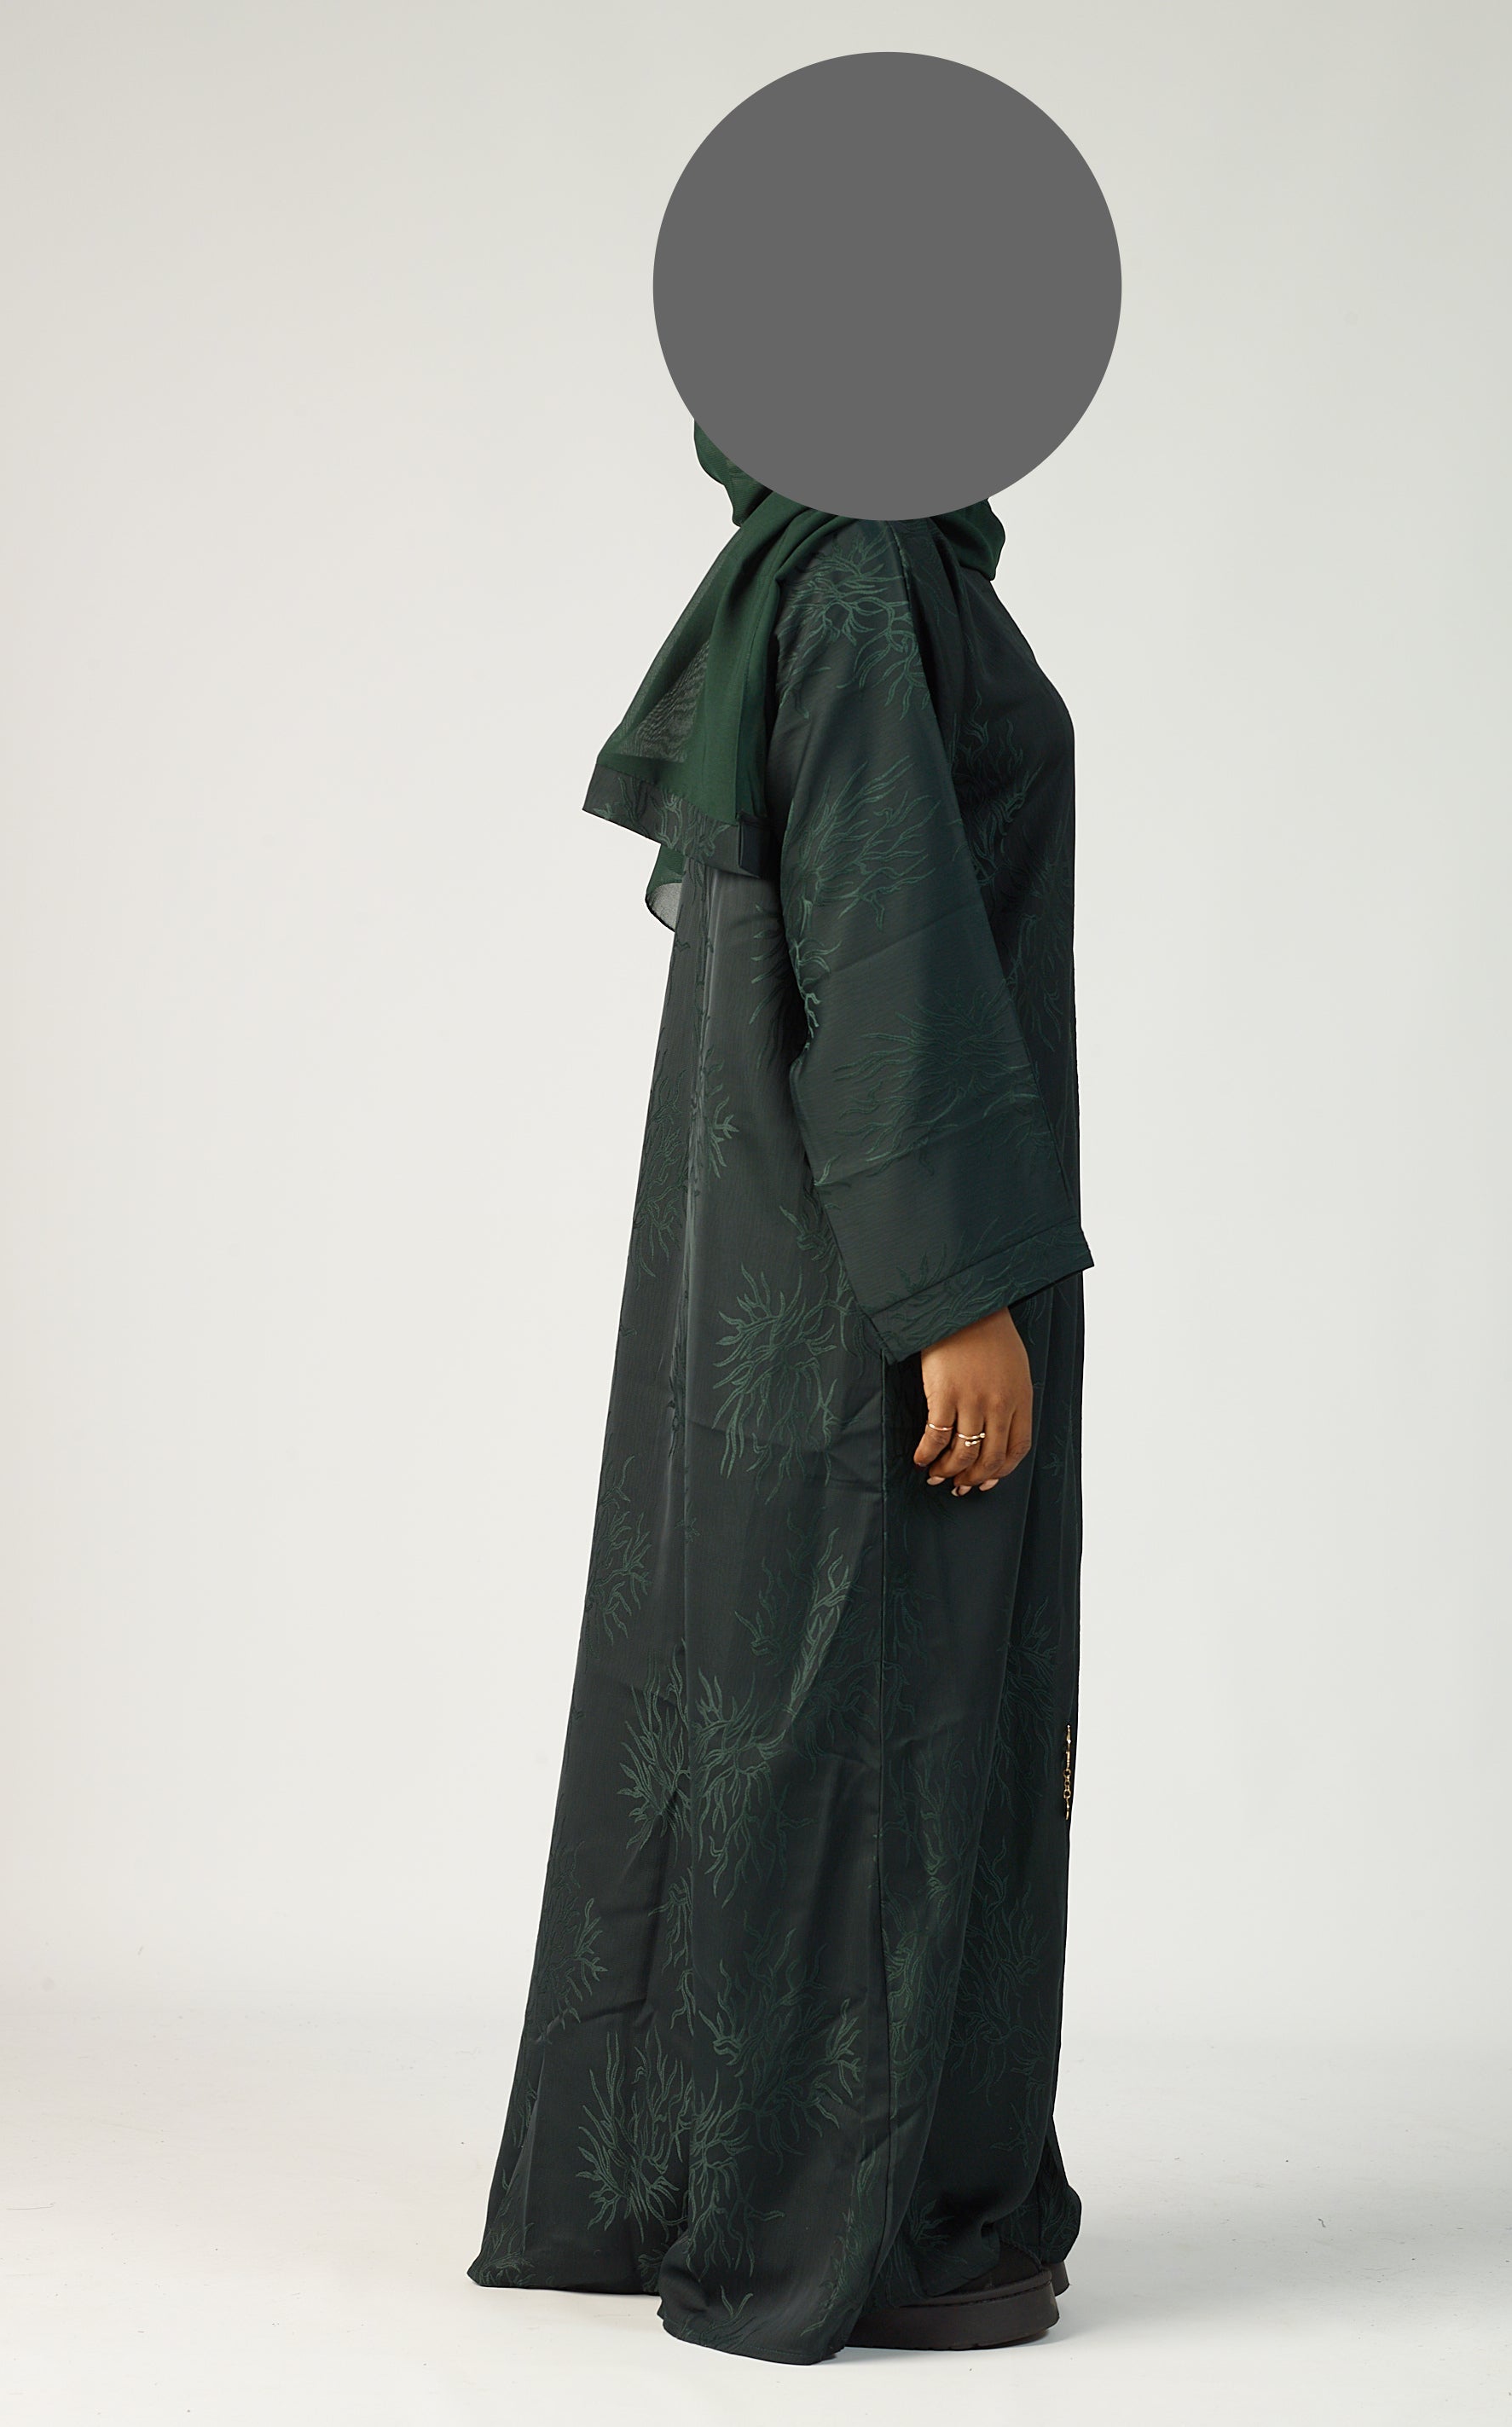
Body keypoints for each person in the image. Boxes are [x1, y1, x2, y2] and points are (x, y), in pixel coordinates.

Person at [466, 426, 1092, 2364]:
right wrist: (955, 1292)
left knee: (799, 1689)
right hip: (875, 1280)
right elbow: (881, 950)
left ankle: (749, 2163)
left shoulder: (838, 578)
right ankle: (850, 2207)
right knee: (874, 1691)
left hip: (807, 1241)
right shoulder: (860, 583)